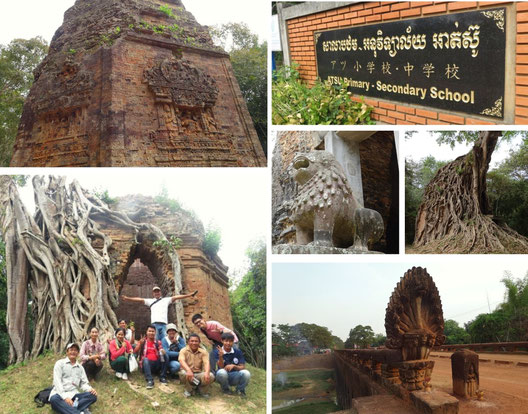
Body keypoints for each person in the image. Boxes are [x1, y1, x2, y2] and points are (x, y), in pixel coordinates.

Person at [121, 286, 198, 340]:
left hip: (164, 324)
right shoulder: (150, 301)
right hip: (154, 324)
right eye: (155, 292)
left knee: (165, 340)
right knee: (155, 340)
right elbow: (140, 299)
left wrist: (189, 295)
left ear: (160, 292)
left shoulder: (166, 300)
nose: (156, 293)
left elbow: (177, 297)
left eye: (158, 291)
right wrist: (128, 298)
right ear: (153, 293)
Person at [49, 343, 98, 414]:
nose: (73, 352)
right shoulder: (60, 363)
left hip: (74, 395)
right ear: (67, 352)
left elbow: (83, 383)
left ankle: (68, 409)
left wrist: (90, 389)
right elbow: (57, 382)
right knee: (54, 400)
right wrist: (65, 397)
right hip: (59, 394)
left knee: (93, 396)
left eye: (75, 350)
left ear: (78, 353)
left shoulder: (80, 368)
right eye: (71, 350)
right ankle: (79, 411)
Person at [178, 333, 215, 398]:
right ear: (188, 342)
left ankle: (203, 390)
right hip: (188, 374)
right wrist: (188, 370)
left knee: (211, 375)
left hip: (199, 374)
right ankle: (189, 390)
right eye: (192, 341)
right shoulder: (183, 350)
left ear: (199, 342)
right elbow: (181, 360)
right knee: (183, 373)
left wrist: (207, 373)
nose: (194, 343)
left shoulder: (203, 352)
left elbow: (206, 363)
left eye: (196, 341)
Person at [215, 332, 251, 397]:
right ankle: (225, 389)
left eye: (230, 341)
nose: (228, 343)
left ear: (233, 342)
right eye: (226, 341)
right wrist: (221, 356)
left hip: (234, 375)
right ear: (222, 341)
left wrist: (234, 366)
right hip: (222, 376)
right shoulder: (218, 351)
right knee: (222, 372)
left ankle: (240, 390)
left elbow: (242, 366)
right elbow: (220, 366)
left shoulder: (237, 351)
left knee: (246, 373)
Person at [134, 324, 168, 389]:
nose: (151, 333)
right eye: (149, 331)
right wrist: (139, 345)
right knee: (145, 359)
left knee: (166, 355)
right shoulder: (143, 341)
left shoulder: (158, 342)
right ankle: (150, 380)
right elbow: (135, 351)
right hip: (147, 365)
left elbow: (161, 350)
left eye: (153, 331)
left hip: (156, 364)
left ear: (155, 333)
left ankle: (162, 377)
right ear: (146, 332)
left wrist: (162, 351)